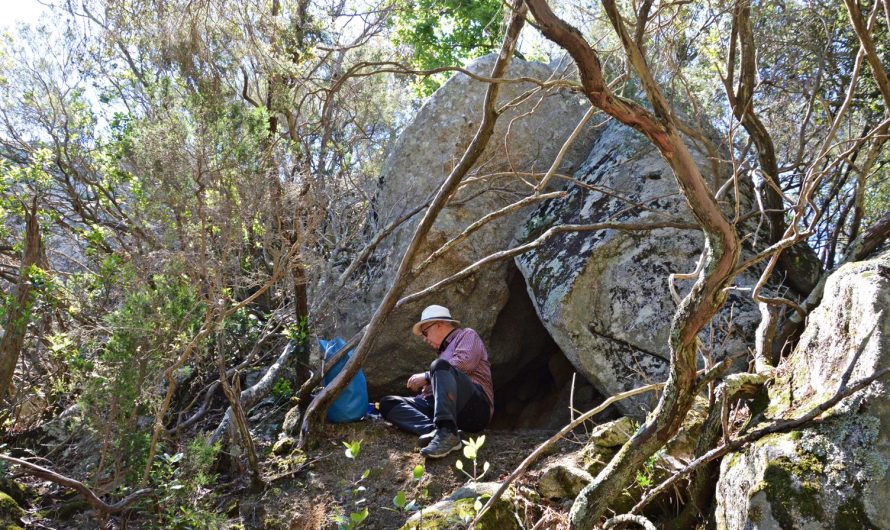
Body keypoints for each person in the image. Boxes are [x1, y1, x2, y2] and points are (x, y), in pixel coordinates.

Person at [379, 304, 494, 458]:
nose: (425, 339)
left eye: (425, 333)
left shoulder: (467, 335)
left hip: (474, 408)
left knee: (439, 366)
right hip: (446, 409)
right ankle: (435, 431)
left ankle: (446, 430)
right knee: (388, 402)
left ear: (439, 324)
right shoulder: (442, 355)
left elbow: (464, 364)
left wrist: (427, 376)